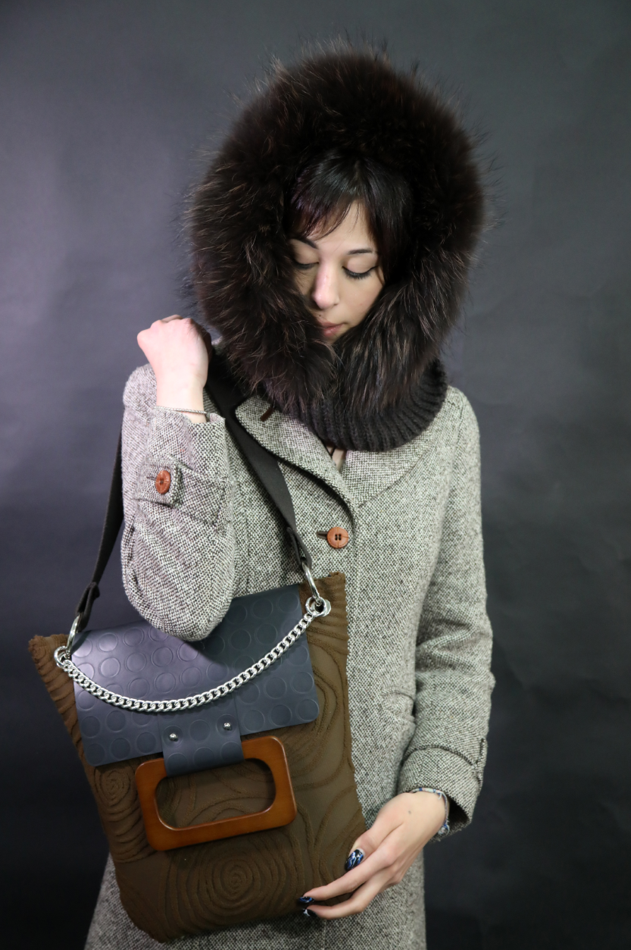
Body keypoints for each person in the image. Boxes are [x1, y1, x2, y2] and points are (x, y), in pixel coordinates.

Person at [85, 42, 494, 950]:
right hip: (200, 850)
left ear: (405, 269)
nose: (322, 293)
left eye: (359, 265)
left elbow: (454, 636)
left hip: (367, 870)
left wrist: (434, 791)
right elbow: (184, 608)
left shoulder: (445, 426)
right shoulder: (176, 400)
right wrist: (182, 399)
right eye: (302, 257)